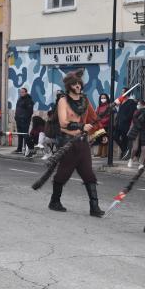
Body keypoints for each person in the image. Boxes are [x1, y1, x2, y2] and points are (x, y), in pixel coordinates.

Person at [48, 70, 106, 217]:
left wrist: (102, 134)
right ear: (69, 86)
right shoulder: (63, 101)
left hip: (82, 143)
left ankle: (94, 207)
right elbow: (63, 123)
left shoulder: (85, 101)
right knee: (63, 174)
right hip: (68, 143)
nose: (77, 86)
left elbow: (93, 118)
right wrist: (81, 126)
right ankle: (54, 201)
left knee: (89, 174)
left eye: (79, 83)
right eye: (74, 84)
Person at [127, 94, 145, 168]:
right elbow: (134, 117)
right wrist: (138, 125)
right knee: (135, 148)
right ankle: (131, 159)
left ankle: (141, 163)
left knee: (144, 148)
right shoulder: (142, 109)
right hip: (137, 129)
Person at [114, 87, 137, 159]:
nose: (122, 93)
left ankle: (125, 153)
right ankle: (124, 150)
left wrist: (125, 119)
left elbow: (131, 113)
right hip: (118, 123)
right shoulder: (121, 102)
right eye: (122, 92)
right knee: (115, 136)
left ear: (127, 93)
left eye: (123, 92)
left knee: (124, 139)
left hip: (126, 124)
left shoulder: (131, 102)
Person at [14, 87, 34, 153]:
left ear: (26, 92)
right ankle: (19, 148)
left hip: (24, 121)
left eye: (22, 92)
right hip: (18, 120)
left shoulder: (28, 100)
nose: (21, 93)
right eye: (20, 92)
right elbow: (18, 109)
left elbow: (30, 111)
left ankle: (28, 148)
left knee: (25, 134)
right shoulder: (19, 99)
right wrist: (16, 116)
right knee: (19, 134)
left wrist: (24, 118)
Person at [94, 93, 111, 158]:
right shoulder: (99, 107)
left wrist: (102, 121)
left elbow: (109, 117)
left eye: (104, 98)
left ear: (107, 99)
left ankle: (104, 153)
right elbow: (96, 115)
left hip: (105, 125)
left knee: (105, 139)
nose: (103, 99)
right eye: (101, 98)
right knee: (99, 139)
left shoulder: (108, 106)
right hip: (99, 126)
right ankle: (99, 152)